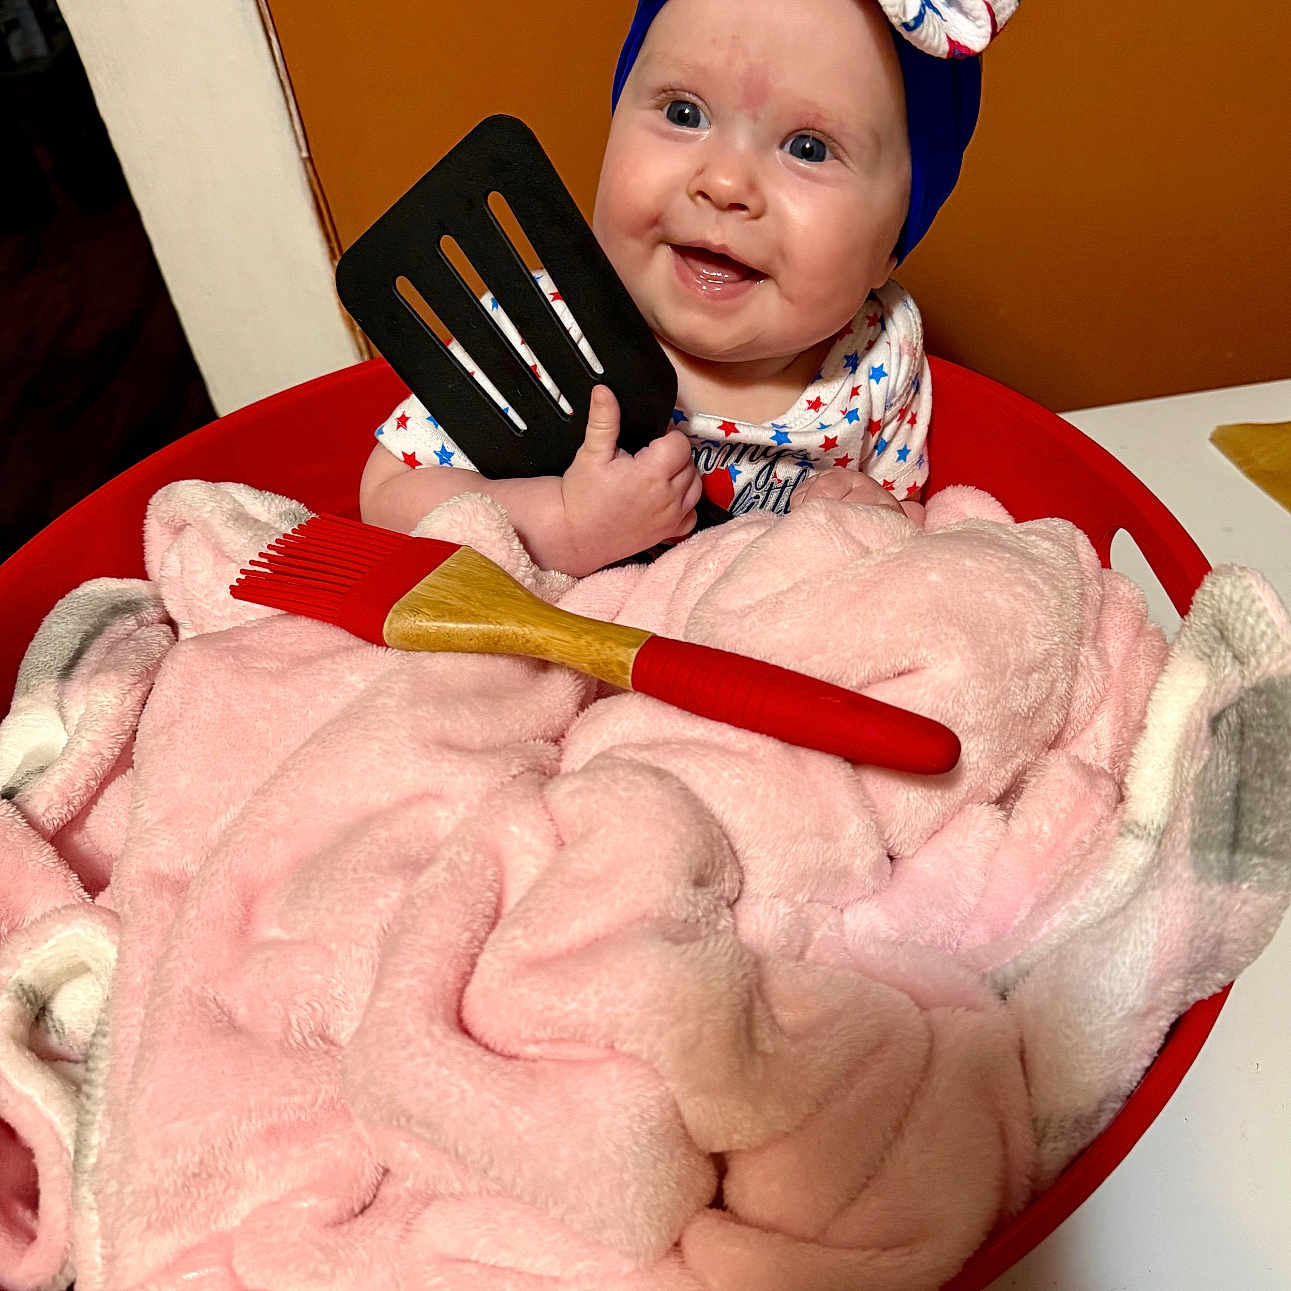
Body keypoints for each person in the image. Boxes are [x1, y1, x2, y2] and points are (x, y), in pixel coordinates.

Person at [360, 0, 996, 576]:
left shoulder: (879, 355)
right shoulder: (543, 328)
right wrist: (561, 524)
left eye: (808, 148)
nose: (724, 183)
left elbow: (908, 524)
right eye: (684, 113)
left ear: (892, 245)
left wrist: (874, 524)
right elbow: (387, 494)